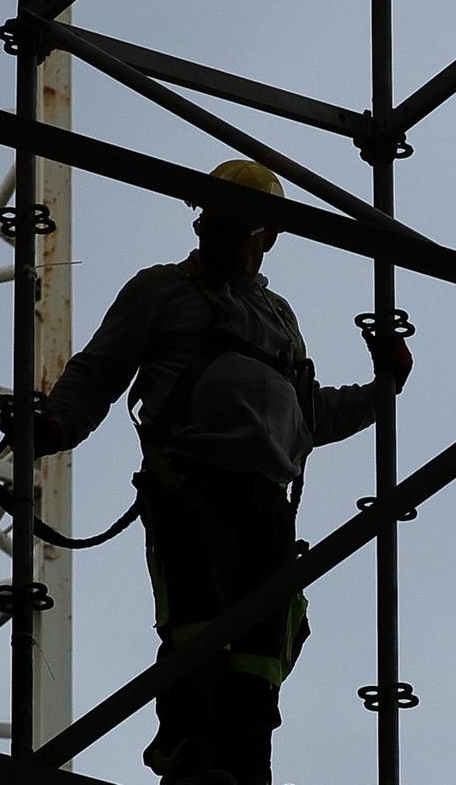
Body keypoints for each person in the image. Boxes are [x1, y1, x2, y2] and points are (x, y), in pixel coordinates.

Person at [33, 160, 412, 785]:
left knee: (262, 647)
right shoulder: (163, 290)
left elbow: (309, 414)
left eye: (242, 228)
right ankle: (193, 757)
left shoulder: (278, 317)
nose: (225, 238)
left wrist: (384, 388)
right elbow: (99, 372)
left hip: (266, 497)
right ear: (202, 220)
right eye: (218, 223)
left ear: (268, 236)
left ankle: (244, 767)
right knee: (198, 624)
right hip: (191, 485)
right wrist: (53, 427)